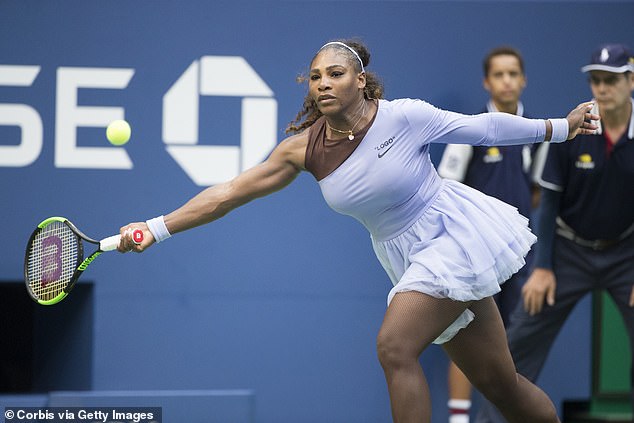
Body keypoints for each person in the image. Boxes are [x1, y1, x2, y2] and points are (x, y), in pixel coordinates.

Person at [116, 39, 598, 423]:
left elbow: (483, 127)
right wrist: (155, 228)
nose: (322, 83)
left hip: (452, 235)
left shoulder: (402, 116)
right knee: (501, 385)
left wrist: (560, 126)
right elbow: (227, 193)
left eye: (336, 73)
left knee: (396, 346)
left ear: (361, 81)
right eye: (316, 76)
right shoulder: (301, 150)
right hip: (405, 255)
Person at [475, 43, 634, 423]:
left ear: (630, 80)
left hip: (627, 252)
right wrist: (542, 267)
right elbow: (547, 205)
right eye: (596, 80)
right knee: (518, 341)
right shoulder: (574, 128)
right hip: (567, 251)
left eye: (611, 80)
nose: (602, 88)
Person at [437, 46, 541, 423]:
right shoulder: (471, 129)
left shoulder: (535, 132)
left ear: (524, 79)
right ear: (487, 81)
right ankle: (460, 419)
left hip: (519, 258)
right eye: (499, 74)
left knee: (514, 342)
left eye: (514, 73)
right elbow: (445, 186)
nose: (507, 81)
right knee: (468, 339)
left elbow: (535, 192)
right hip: (474, 255)